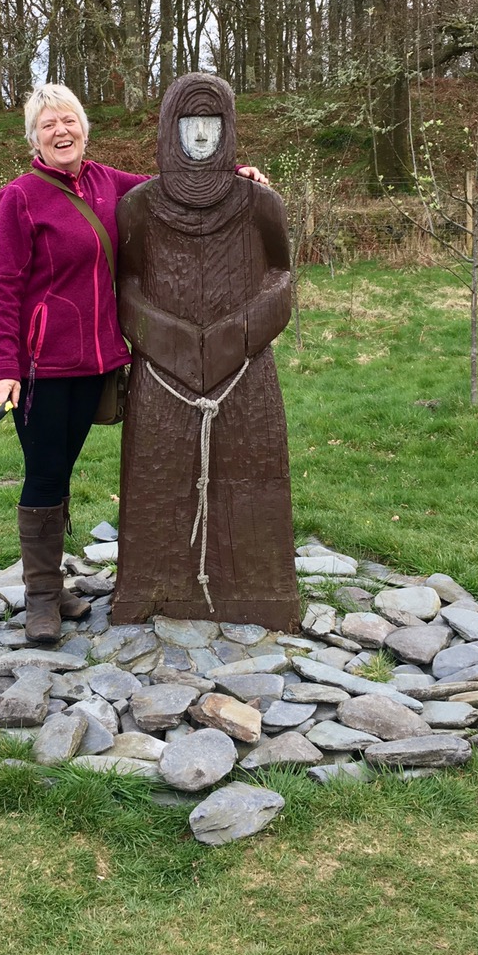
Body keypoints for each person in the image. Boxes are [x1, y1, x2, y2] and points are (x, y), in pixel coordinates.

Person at [0, 82, 267, 644]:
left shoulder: (105, 181)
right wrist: (4, 368)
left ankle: (55, 588)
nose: (61, 132)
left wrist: (232, 173)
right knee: (45, 473)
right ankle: (41, 600)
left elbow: (171, 187)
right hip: (43, 368)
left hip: (98, 364)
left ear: (84, 129)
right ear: (34, 139)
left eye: (68, 121)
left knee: (62, 470)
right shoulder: (19, 197)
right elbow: (3, 286)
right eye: (48, 125)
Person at [112, 72, 300, 631]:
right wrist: (171, 340)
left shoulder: (259, 204)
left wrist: (233, 336)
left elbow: (282, 277)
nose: (200, 137)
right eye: (189, 125)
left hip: (244, 371)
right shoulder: (138, 206)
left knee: (251, 477)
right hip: (162, 375)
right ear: (169, 130)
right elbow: (127, 285)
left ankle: (259, 590)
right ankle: (153, 586)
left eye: (211, 125)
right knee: (158, 480)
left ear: (229, 129)